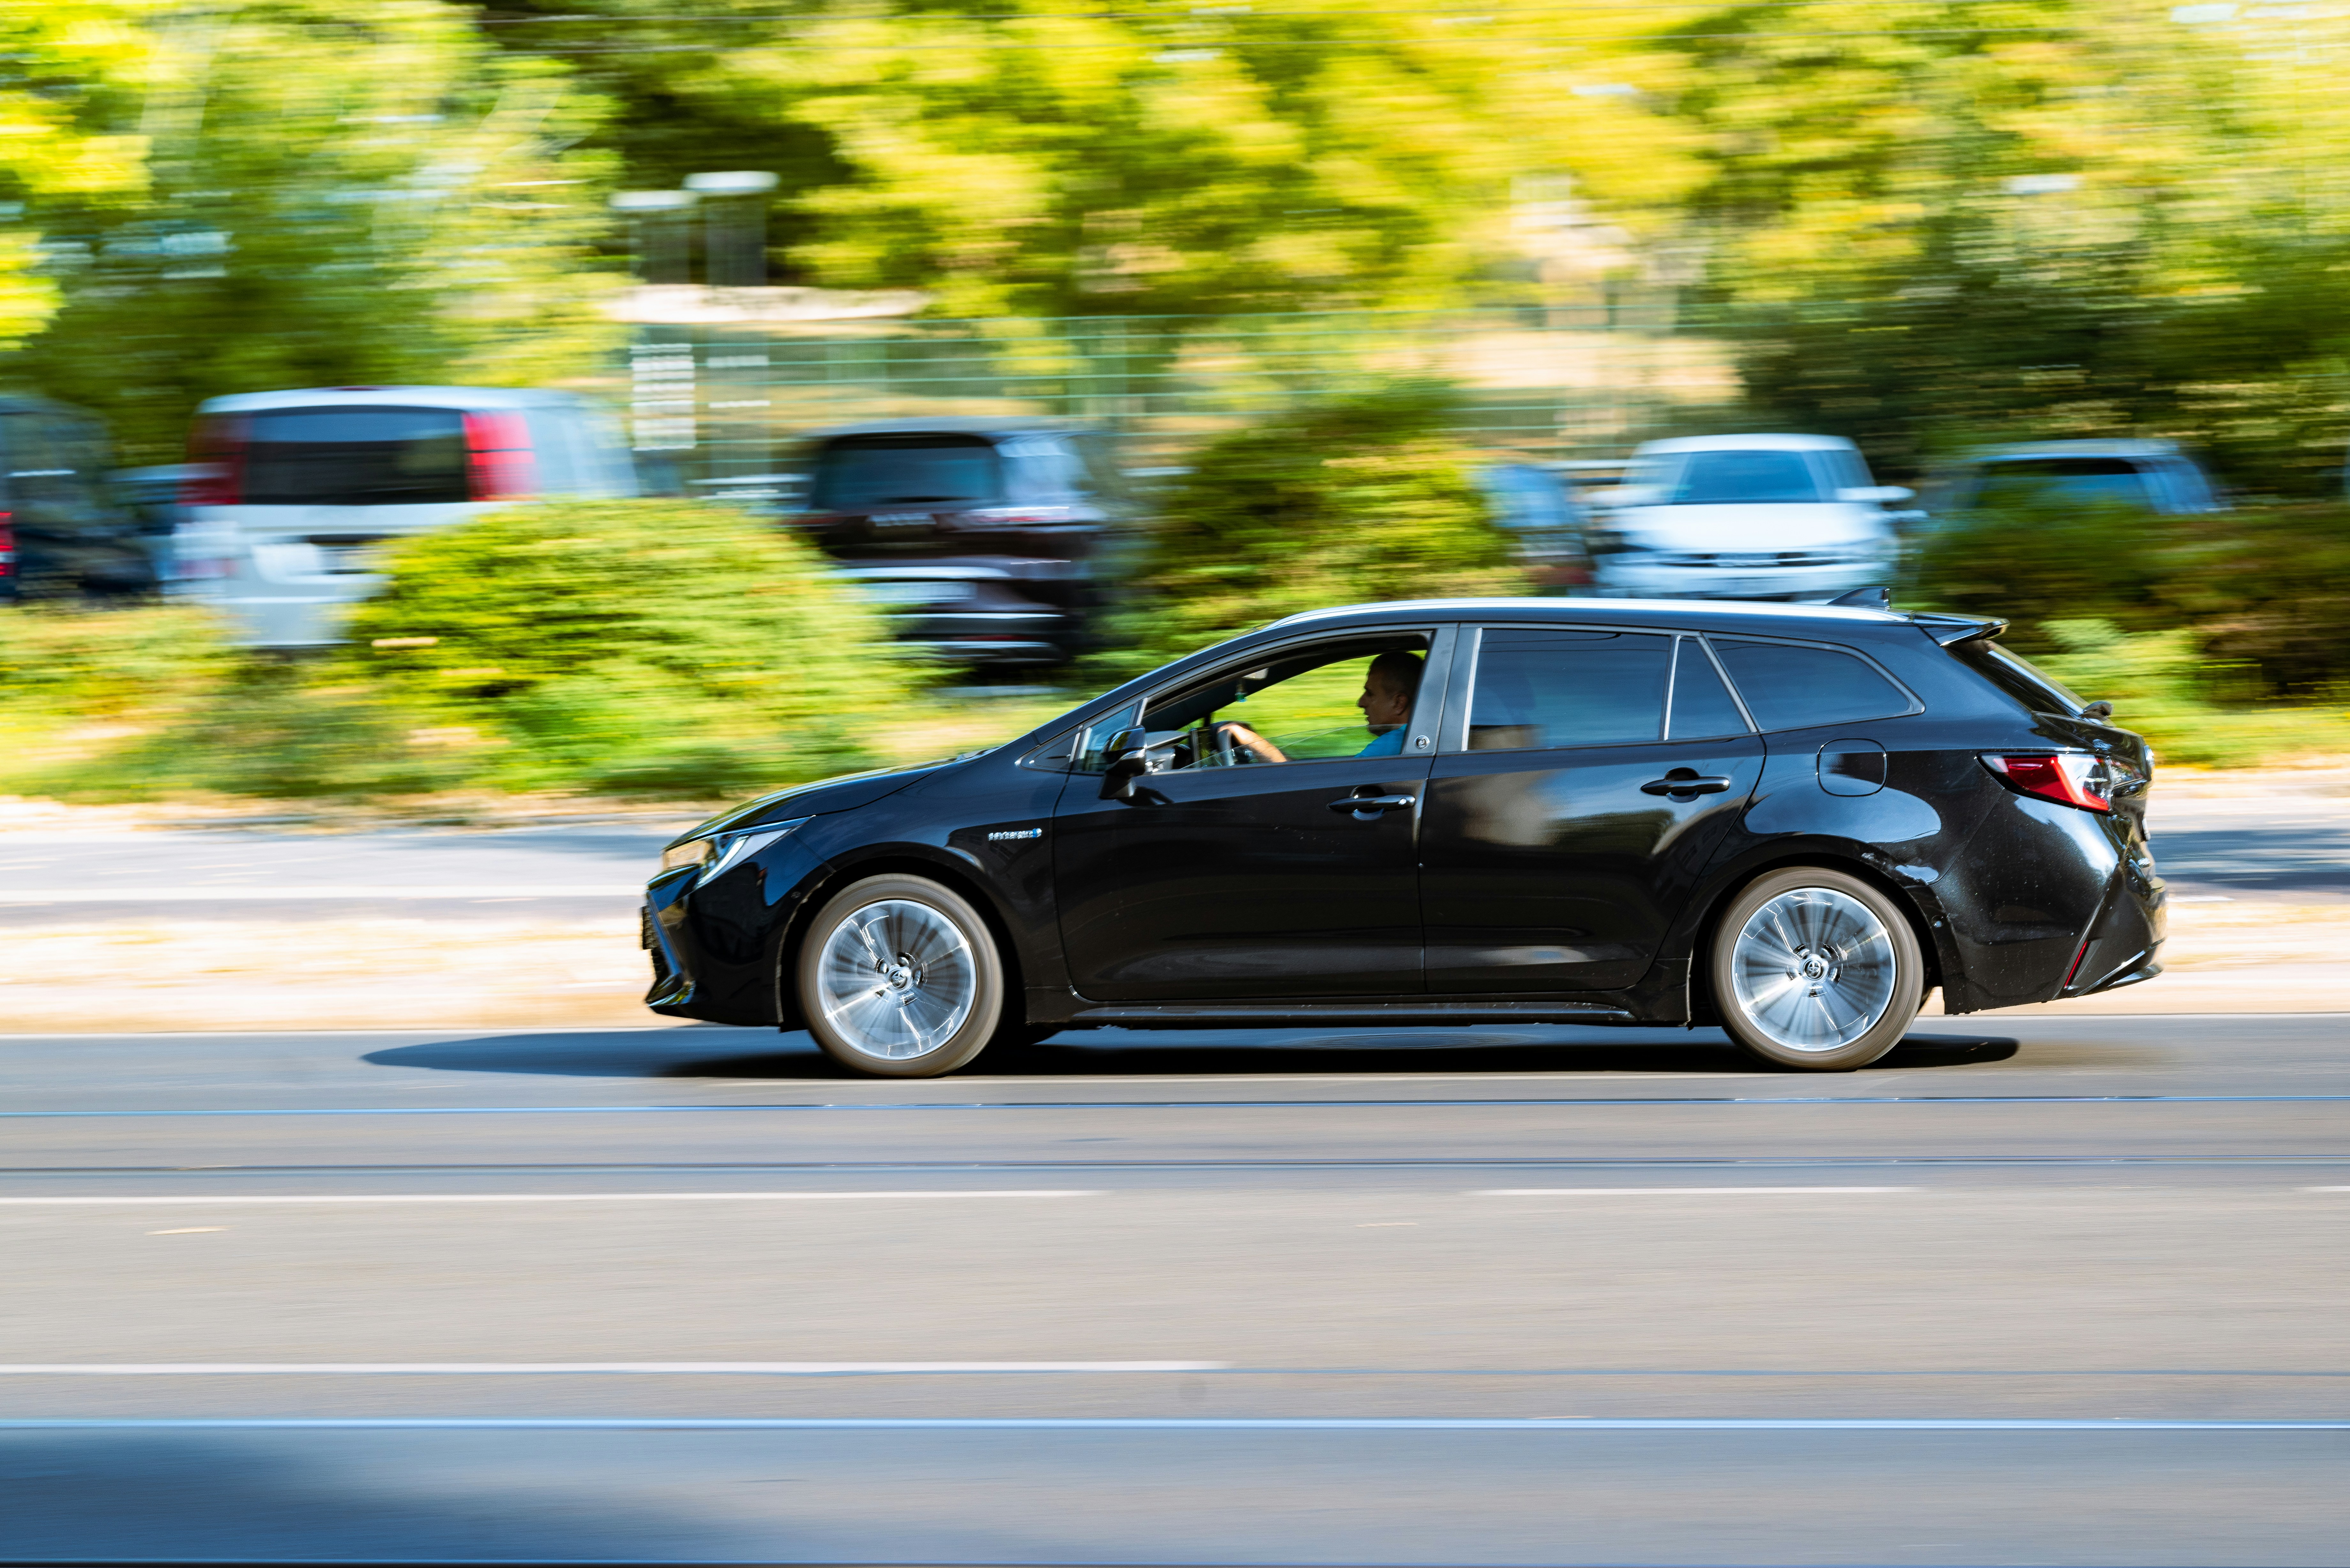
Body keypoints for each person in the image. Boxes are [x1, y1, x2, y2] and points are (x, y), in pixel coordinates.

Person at [1212, 650, 1422, 765]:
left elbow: (1304, 785)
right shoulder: (1410, 742)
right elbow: (1306, 774)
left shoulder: (1394, 745)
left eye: (1371, 693)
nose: (1361, 702)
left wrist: (1249, 739)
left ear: (1399, 703)